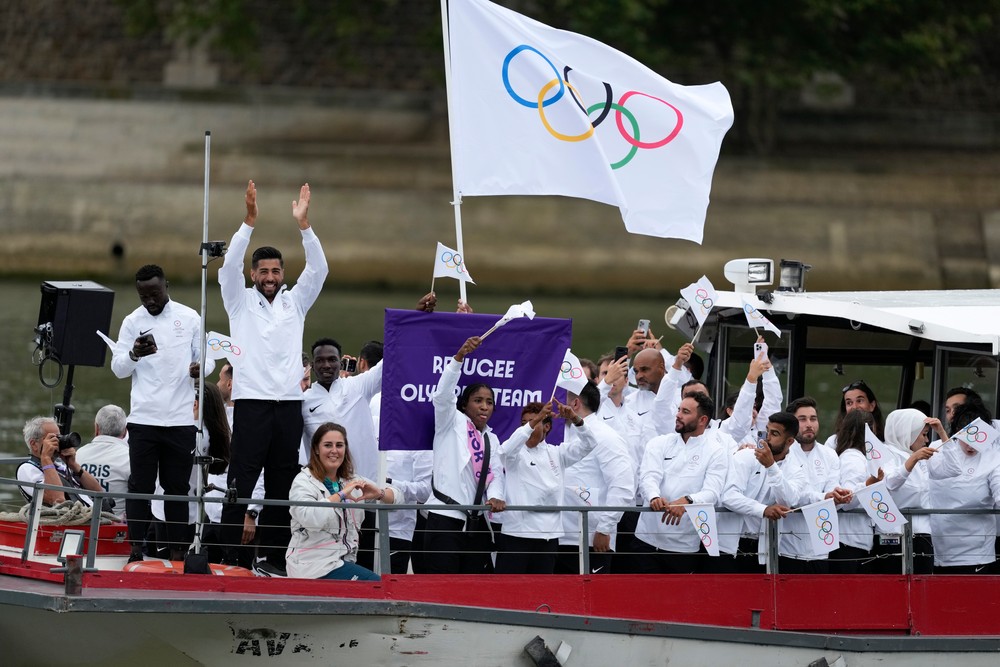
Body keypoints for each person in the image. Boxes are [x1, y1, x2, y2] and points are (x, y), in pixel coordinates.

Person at [218, 180, 329, 575]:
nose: (270, 275)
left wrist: (304, 225)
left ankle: (275, 559)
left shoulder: (295, 302)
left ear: (283, 274)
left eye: (276, 270)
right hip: (250, 405)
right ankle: (229, 557)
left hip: (288, 407)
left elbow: (320, 269)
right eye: (263, 270)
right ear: (253, 274)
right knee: (240, 481)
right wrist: (248, 222)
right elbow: (228, 265)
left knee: (283, 488)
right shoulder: (239, 301)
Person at [111, 264, 207, 563]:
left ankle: (178, 552)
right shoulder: (131, 321)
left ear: (167, 285)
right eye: (143, 295)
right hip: (143, 419)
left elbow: (208, 361)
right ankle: (136, 549)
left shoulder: (190, 316)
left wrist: (199, 369)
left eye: (155, 293)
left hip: (179, 420)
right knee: (140, 485)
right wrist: (133, 354)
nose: (150, 300)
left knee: (176, 487)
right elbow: (118, 369)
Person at [423, 336, 506, 574]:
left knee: (474, 590)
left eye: (489, 402)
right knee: (441, 587)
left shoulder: (491, 438)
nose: (484, 406)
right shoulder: (451, 422)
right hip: (444, 518)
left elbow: (496, 475)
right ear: (464, 405)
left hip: (476, 523)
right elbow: (442, 396)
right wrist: (458, 359)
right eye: (478, 400)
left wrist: (496, 497)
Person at [301, 336, 384, 569]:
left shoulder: (358, 386)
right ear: (312, 365)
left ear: (341, 361)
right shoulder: (303, 401)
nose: (326, 365)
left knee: (364, 557)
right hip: (326, 494)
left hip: (363, 489)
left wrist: (417, 319)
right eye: (320, 360)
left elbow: (391, 362)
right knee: (328, 557)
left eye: (332, 359)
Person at [493, 397, 596, 575]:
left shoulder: (558, 453)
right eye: (524, 423)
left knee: (541, 595)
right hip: (517, 536)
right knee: (508, 595)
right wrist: (535, 420)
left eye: (535, 422)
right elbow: (504, 451)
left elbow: (589, 444)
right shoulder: (514, 454)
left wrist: (574, 418)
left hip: (549, 537)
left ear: (547, 426)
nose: (528, 427)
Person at [286, 423, 402, 580]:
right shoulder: (303, 481)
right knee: (375, 585)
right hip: (312, 566)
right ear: (316, 449)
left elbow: (398, 498)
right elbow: (311, 519)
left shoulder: (351, 479)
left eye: (339, 445)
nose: (334, 450)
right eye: (328, 445)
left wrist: (379, 493)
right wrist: (340, 495)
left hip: (344, 562)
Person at [634, 393, 730, 574]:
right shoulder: (659, 442)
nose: (678, 415)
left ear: (702, 420)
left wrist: (687, 501)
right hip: (645, 540)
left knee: (678, 601)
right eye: (679, 409)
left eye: (685, 412)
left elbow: (712, 492)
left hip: (684, 546)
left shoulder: (716, 451)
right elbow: (648, 476)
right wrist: (654, 496)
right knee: (642, 599)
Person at [555, 384, 635, 575]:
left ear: (575, 403)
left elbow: (623, 486)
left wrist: (604, 529)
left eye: (561, 400)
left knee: (588, 601)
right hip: (559, 536)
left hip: (591, 540)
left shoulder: (606, 437)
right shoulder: (563, 434)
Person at [719, 412, 804, 573]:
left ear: (790, 441)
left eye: (775, 433)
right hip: (729, 545)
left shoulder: (796, 469)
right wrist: (764, 510)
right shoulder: (746, 456)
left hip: (764, 547)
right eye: (767, 430)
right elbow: (729, 496)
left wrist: (771, 467)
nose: (767, 438)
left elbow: (788, 502)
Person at [927, 401, 1000, 573]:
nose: (970, 446)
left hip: (979, 552)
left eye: (976, 440)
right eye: (965, 439)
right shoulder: (936, 449)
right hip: (939, 548)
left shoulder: (994, 456)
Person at [780, 397, 842, 573]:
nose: (809, 424)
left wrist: (837, 495)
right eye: (802, 419)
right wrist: (823, 497)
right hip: (787, 549)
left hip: (821, 549)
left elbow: (831, 490)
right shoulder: (784, 454)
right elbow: (792, 497)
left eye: (813, 419)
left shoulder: (829, 455)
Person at [873, 408, 938, 574]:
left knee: (923, 589)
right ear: (907, 434)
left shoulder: (920, 458)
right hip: (892, 535)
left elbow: (953, 469)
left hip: (922, 534)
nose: (927, 440)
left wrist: (943, 432)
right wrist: (913, 460)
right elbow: (890, 483)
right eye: (923, 434)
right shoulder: (885, 454)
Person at [16, 416, 103, 506]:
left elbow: (99, 493)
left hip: (93, 514)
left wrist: (73, 465)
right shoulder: (27, 469)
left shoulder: (60, 466)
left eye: (59, 437)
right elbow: (57, 499)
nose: (58, 442)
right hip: (69, 517)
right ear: (34, 444)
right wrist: (46, 458)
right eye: (52, 438)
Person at [829, 410, 876, 574]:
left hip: (855, 540)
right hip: (849, 542)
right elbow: (846, 500)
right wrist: (870, 484)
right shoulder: (853, 459)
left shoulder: (854, 457)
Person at [75, 405, 131, 520]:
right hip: (117, 527)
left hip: (81, 522)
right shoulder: (130, 458)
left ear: (96, 428)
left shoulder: (78, 454)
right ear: (125, 431)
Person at [825, 380, 885, 448]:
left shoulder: (885, 443)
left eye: (859, 401)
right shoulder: (833, 443)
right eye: (849, 403)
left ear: (872, 405)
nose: (855, 407)